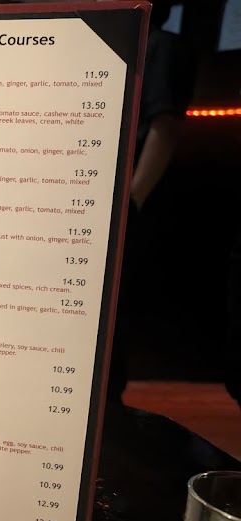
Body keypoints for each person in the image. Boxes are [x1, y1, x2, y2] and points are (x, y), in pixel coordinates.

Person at [106, 0, 196, 405]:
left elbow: (165, 125)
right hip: (114, 205)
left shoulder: (159, 45)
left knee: (111, 314)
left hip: (130, 208)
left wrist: (132, 199)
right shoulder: (138, 44)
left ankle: (107, 414)